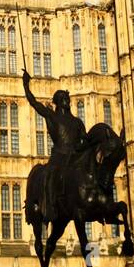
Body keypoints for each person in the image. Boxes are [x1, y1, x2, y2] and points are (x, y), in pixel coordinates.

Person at [23, 69, 87, 216]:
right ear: (58, 102)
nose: (67, 100)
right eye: (64, 98)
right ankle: (48, 206)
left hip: (74, 158)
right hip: (59, 157)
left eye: (67, 98)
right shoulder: (52, 116)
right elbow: (34, 103)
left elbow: (86, 140)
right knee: (49, 176)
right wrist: (26, 85)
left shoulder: (77, 122)